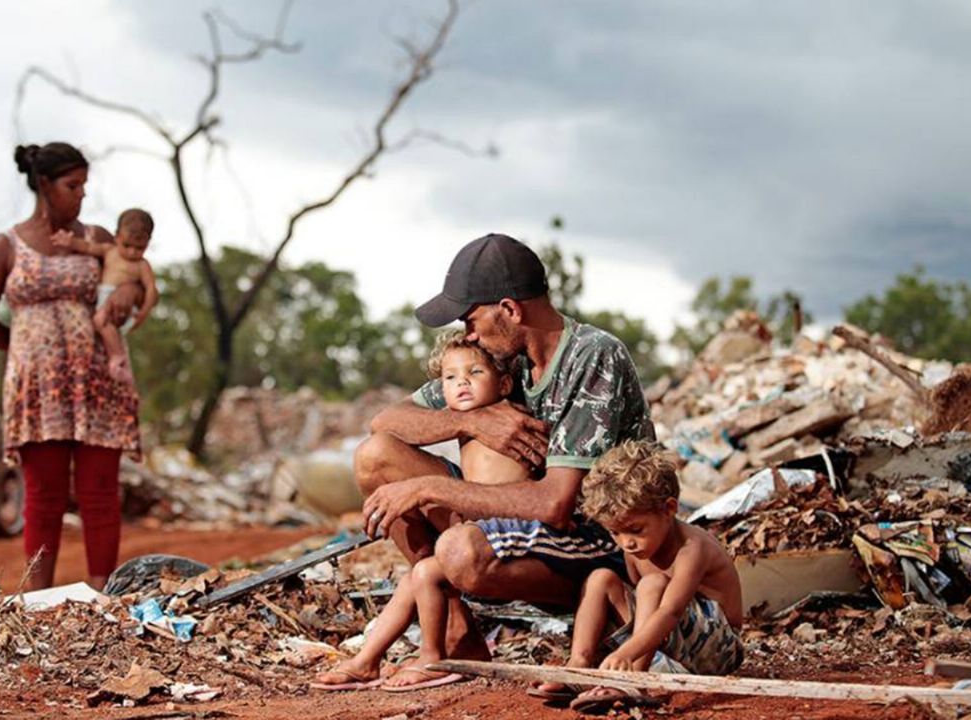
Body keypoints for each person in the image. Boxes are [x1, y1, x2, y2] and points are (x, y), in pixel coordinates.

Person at [355, 233, 654, 688]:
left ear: (510, 310)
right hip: (519, 529)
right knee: (374, 457)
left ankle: (597, 622)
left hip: (597, 544)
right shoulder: (500, 358)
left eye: (471, 320)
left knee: (459, 551)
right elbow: (386, 421)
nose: (468, 335)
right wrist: (470, 422)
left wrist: (429, 488)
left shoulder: (594, 356)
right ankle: (457, 632)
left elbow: (556, 504)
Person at [0, 142, 141, 591]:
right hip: (38, 389)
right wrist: (26, 350)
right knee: (44, 495)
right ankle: (37, 601)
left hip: (97, 382)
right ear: (44, 185)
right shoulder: (7, 246)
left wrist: (127, 292)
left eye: (84, 186)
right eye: (72, 185)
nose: (82, 195)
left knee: (99, 492)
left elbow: (134, 277)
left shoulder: (97, 239)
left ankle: (103, 596)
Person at [311, 331, 528, 692]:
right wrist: (463, 423)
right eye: (451, 378)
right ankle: (367, 661)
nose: (462, 383)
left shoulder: (511, 415)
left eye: (474, 373)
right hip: (473, 517)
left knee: (423, 573)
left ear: (504, 384)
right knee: (416, 575)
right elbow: (383, 421)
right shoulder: (466, 407)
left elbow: (510, 496)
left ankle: (433, 654)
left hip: (504, 530)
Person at [547, 440, 744, 712]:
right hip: (671, 646)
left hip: (718, 650)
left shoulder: (692, 548)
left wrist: (626, 652)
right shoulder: (634, 548)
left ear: (669, 509)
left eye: (636, 529)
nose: (626, 542)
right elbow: (644, 608)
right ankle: (579, 667)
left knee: (652, 584)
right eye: (615, 533)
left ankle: (634, 682)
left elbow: (670, 611)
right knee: (601, 578)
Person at [52, 207, 159, 383]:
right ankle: (116, 356)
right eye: (127, 245)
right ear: (117, 237)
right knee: (102, 324)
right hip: (104, 296)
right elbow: (88, 247)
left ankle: (118, 357)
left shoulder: (142, 265)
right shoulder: (110, 251)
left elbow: (151, 290)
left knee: (100, 320)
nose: (132, 252)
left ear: (148, 242)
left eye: (140, 248)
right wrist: (70, 242)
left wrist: (143, 313)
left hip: (119, 305)